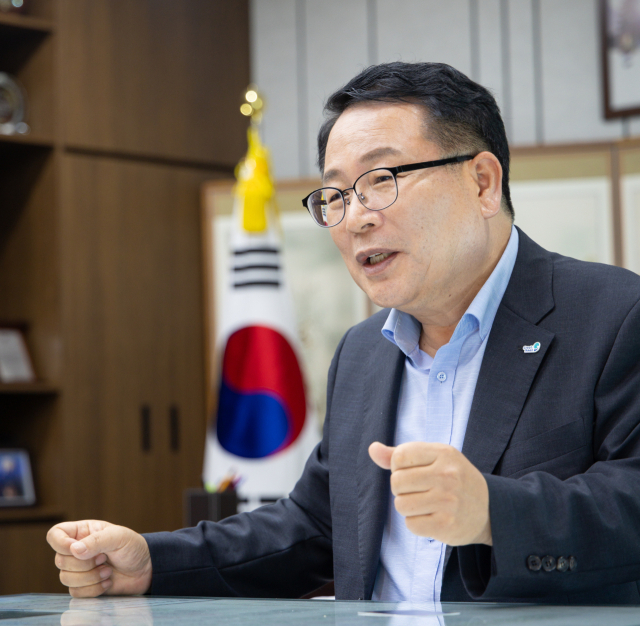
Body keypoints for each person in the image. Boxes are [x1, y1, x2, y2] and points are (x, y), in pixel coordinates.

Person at [47, 62, 640, 604]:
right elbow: (315, 526)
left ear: (482, 183)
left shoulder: (612, 315)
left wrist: (492, 513)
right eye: (335, 194)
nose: (355, 217)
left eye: (382, 178)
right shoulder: (362, 352)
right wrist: (152, 563)